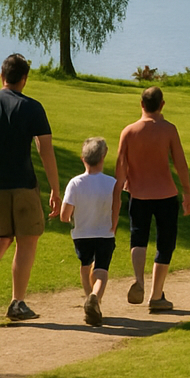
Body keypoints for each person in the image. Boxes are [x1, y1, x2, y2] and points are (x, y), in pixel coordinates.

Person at [0, 53, 60, 321]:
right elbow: (46, 150)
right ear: (24, 79)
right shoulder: (32, 107)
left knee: (0, 235)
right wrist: (55, 189)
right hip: (24, 185)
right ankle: (17, 303)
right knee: (26, 240)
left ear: (2, 75)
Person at [115, 87, 190, 314]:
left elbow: (120, 167)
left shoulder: (128, 132)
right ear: (162, 105)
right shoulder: (169, 130)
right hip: (165, 194)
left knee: (138, 237)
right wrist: (187, 192)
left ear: (141, 104)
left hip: (138, 194)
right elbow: (180, 164)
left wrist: (116, 196)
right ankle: (156, 295)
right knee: (165, 243)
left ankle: (139, 279)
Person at [59, 137, 121, 326]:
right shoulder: (112, 183)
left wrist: (72, 217)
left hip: (82, 234)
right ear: (103, 157)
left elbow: (64, 214)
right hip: (105, 233)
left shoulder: (75, 183)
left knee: (86, 266)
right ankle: (95, 298)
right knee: (101, 270)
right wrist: (113, 225)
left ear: (82, 158)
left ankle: (89, 298)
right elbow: (116, 209)